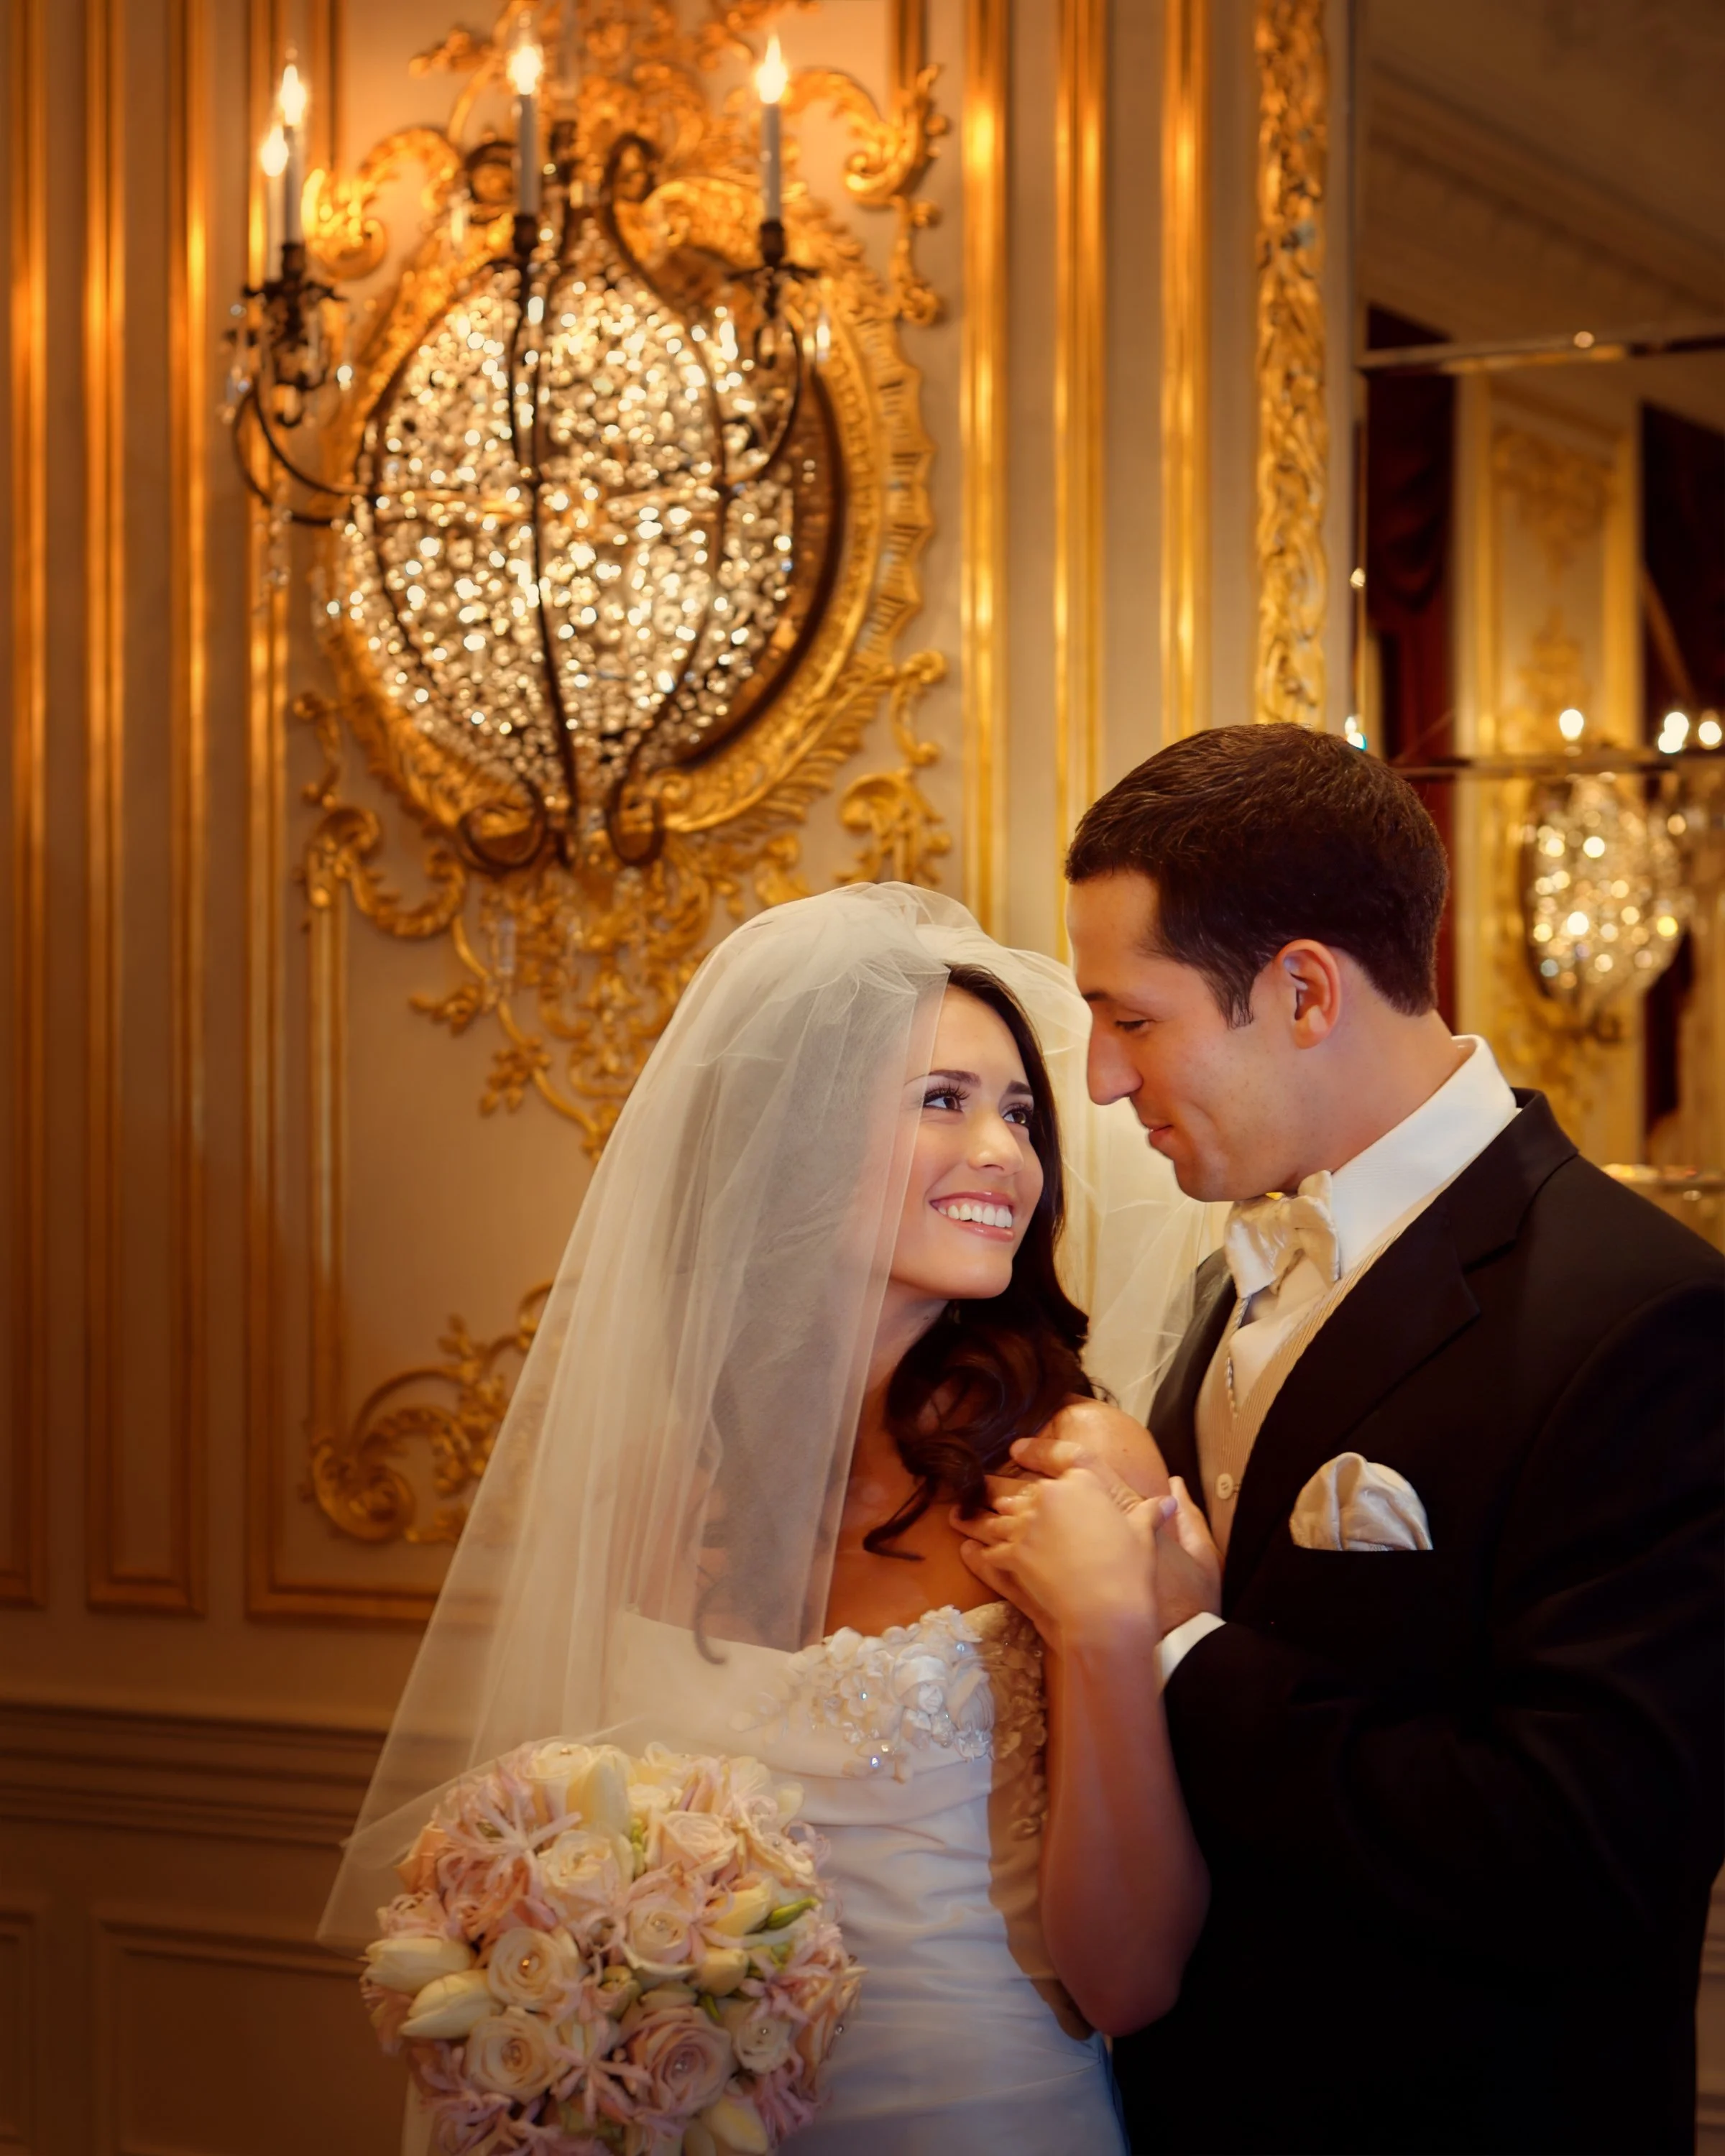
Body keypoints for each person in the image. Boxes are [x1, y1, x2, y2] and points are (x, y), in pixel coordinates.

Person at [324, 882, 1211, 2155]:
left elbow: (1130, 1981)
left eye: (1019, 1113)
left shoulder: (1069, 1471)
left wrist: (1111, 1627)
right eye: (943, 1103)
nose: (1005, 1155)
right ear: (797, 1147)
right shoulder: (663, 1478)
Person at [960, 723, 1725, 2155]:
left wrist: (1180, 1646)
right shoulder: (1224, 1276)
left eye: (1133, 1019)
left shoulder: (1646, 1320)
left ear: (1303, 989)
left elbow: (1586, 1856)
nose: (1105, 1082)